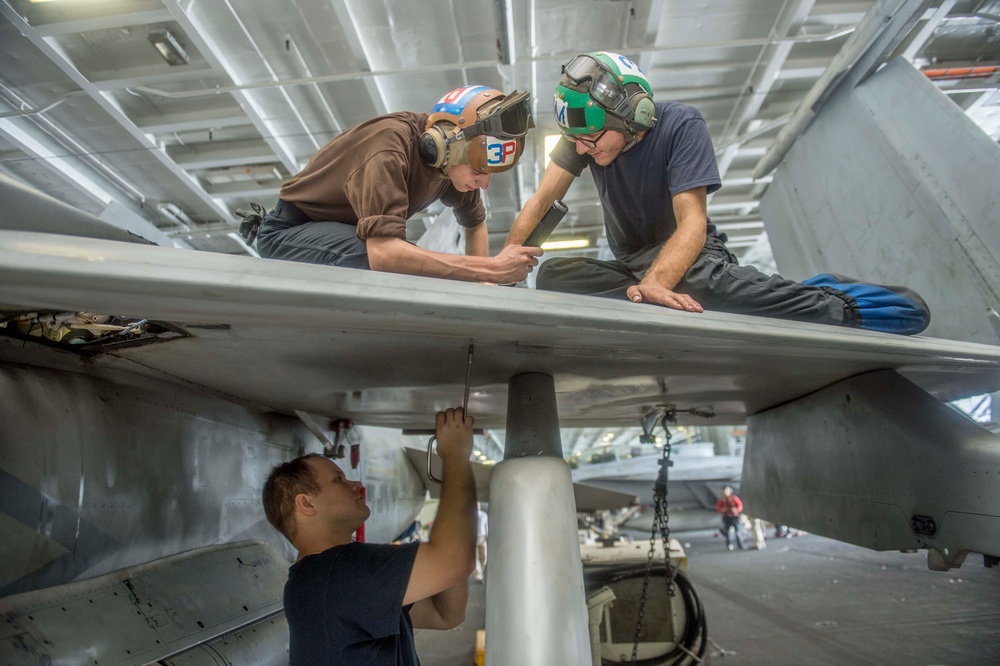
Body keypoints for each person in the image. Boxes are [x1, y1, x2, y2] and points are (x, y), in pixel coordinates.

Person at [505, 51, 930, 335]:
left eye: (590, 139)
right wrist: (505, 265)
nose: (580, 149)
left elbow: (692, 221)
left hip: (693, 256)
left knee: (700, 285)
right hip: (631, 267)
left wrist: (659, 280)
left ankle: (837, 300)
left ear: (633, 117)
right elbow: (541, 201)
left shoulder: (681, 125)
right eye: (574, 139)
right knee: (554, 277)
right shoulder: (584, 135)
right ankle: (655, 291)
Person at [239, 85, 543, 284]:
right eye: (479, 171)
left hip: (348, 234)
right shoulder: (389, 147)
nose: (484, 184)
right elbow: (383, 255)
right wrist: (490, 268)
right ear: (446, 144)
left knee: (414, 262)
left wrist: (483, 286)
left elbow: (475, 223)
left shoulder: (453, 165)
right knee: (404, 264)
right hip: (290, 232)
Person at [262, 407, 476, 665]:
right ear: (306, 504)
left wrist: (445, 561)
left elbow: (446, 614)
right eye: (338, 479)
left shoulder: (320, 581)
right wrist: (456, 457)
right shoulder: (339, 573)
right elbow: (454, 560)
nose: (356, 484)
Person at [715, 485, 746, 551]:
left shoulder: (734, 498)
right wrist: (723, 510)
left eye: (726, 491)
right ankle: (729, 544)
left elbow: (740, 506)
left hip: (734, 516)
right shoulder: (721, 500)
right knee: (727, 532)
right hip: (726, 516)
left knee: (738, 532)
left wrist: (736, 509)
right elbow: (718, 508)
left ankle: (740, 544)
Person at [474, 502, 488, 582]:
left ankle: (480, 572)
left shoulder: (484, 515)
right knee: (475, 558)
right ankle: (479, 575)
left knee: (484, 557)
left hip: (482, 537)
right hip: (474, 537)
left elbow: (486, 525)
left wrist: (487, 535)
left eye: (478, 505)